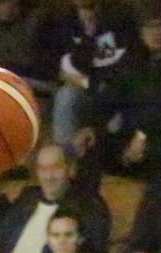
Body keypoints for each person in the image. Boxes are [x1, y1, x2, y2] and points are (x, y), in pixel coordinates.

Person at [77, 4, 161, 174]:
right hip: (130, 135)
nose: (155, 33)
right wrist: (90, 125)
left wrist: (144, 136)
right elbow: (110, 96)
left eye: (160, 26)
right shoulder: (133, 58)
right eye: (149, 27)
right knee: (90, 147)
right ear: (141, 31)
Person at [42, 0, 136, 149]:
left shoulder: (118, 18)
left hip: (112, 93)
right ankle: (63, 158)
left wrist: (85, 81)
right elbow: (51, 64)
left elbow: (118, 71)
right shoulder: (62, 20)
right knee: (65, 96)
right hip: (79, 92)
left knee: (114, 114)